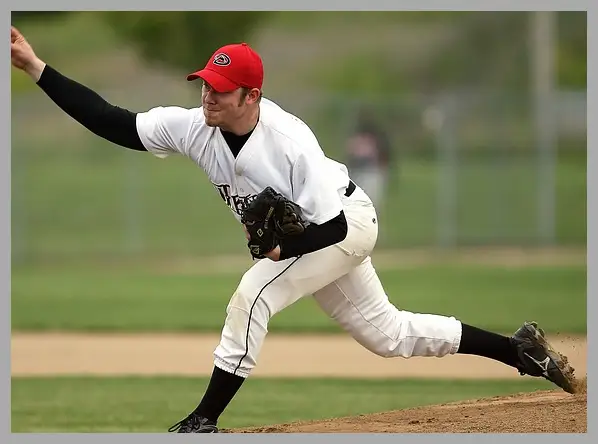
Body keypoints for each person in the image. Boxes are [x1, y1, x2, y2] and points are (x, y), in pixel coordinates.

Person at [10, 25, 578, 433]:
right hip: (321, 233)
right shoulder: (194, 127)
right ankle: (519, 350)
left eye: (219, 89)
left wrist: (284, 247)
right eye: (204, 84)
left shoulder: (289, 141)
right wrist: (37, 69)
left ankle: (204, 418)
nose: (207, 95)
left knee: (252, 295)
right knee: (389, 336)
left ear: (251, 96)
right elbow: (113, 122)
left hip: (347, 224)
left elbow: (330, 225)